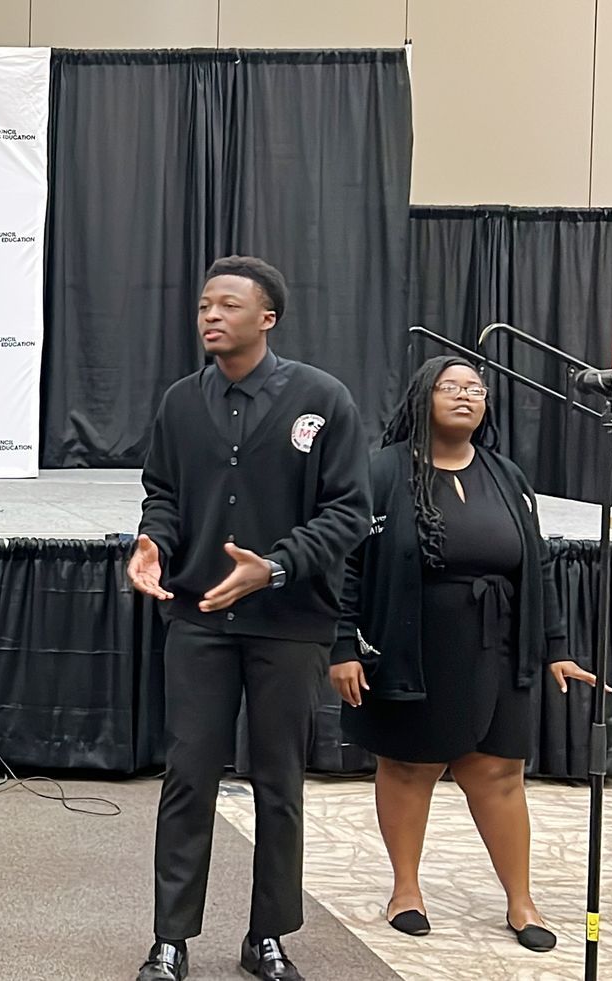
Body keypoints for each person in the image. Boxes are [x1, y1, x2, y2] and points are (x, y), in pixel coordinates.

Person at [129, 257, 371, 981]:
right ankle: (170, 938)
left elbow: (349, 511)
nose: (210, 315)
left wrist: (278, 563)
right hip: (199, 618)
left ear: (267, 318)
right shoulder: (180, 402)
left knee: (278, 782)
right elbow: (163, 492)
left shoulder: (321, 399)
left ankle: (267, 933)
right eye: (204, 304)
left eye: (227, 304)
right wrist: (152, 542)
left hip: (289, 621)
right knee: (188, 777)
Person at [330, 355, 596, 953]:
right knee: (407, 765)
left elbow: (539, 565)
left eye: (476, 388)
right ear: (422, 398)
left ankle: (520, 901)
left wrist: (554, 647)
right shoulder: (380, 472)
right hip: (412, 645)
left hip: (498, 645)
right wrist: (342, 643)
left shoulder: (507, 475)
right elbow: (347, 564)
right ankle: (406, 890)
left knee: (499, 769)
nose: (466, 396)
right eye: (451, 387)